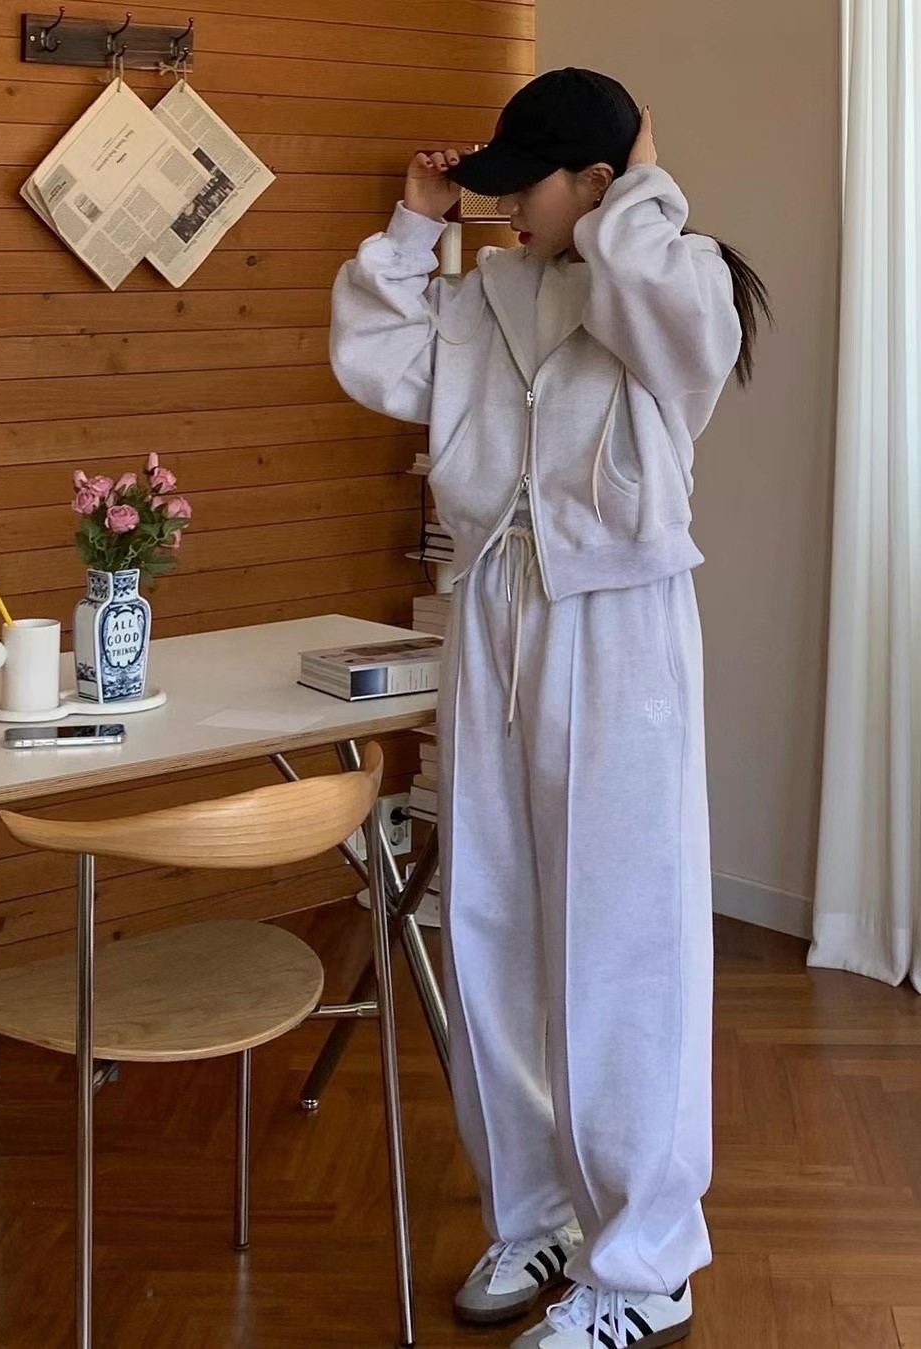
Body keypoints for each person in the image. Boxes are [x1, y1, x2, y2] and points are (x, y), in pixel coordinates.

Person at [329, 68, 771, 1349]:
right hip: (492, 611)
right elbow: (376, 362)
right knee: (491, 922)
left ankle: (647, 1262)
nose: (505, 205)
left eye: (530, 183)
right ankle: (537, 1211)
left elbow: (665, 313)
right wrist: (416, 223)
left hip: (620, 619)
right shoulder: (485, 295)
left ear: (599, 182)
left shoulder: (676, 281)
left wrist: (642, 183)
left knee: (625, 940)